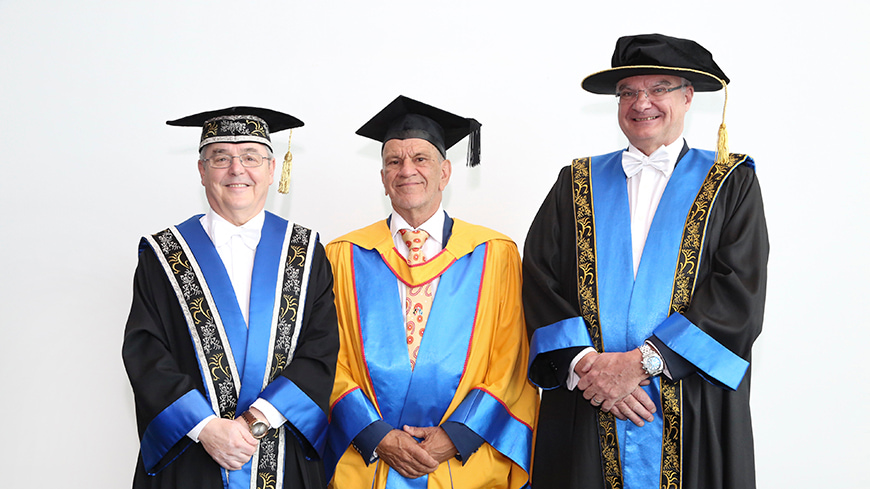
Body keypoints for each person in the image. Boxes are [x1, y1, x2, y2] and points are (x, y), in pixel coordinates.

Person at [523, 34, 768, 489]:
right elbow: (540, 278)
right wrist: (585, 367)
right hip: (587, 406)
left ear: (688, 96)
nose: (642, 103)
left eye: (659, 88)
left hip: (690, 403)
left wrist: (640, 364)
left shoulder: (730, 182)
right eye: (629, 92)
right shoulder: (575, 183)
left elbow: (739, 293)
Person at [323, 96, 538, 489]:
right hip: (367, 462)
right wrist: (377, 435)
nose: (407, 170)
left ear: (445, 171)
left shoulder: (494, 253)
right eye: (394, 161)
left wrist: (456, 436)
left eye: (421, 158)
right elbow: (326, 358)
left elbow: (512, 359)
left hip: (466, 463)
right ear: (383, 177)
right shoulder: (341, 256)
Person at [122, 107, 339, 489]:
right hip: (190, 457)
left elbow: (321, 348)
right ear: (202, 170)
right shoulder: (164, 254)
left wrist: (256, 421)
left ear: (272, 170)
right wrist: (205, 428)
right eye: (221, 157)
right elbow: (145, 352)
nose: (237, 169)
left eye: (251, 157)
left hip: (280, 447)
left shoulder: (305, 252)